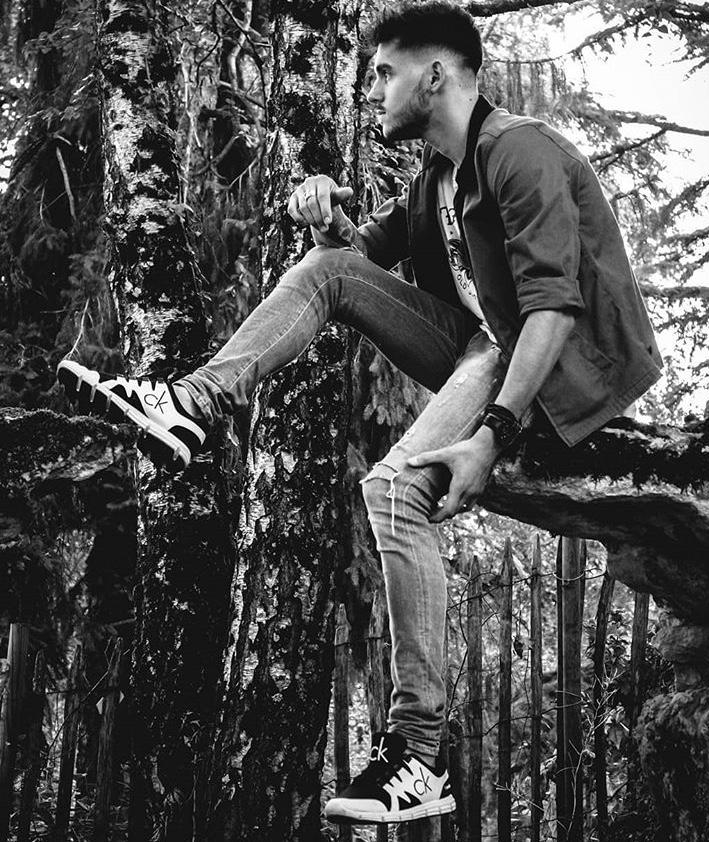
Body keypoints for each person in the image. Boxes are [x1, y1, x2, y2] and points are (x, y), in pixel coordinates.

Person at [56, 0, 662, 825]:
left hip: (552, 367)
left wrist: (492, 437)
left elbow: (552, 309)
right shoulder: (438, 176)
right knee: (329, 272)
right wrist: (323, 214)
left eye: (383, 73)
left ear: (435, 75)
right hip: (483, 345)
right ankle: (190, 402)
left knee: (393, 490)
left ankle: (420, 753)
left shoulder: (519, 150)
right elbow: (351, 263)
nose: (372, 90)